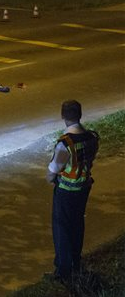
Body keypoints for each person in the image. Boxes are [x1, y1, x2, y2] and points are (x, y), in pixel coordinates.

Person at [46, 100, 99, 284]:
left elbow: (53, 170)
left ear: (63, 116)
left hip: (66, 191)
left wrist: (51, 180)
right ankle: (76, 263)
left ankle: (63, 271)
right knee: (77, 225)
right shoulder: (91, 137)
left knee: (62, 229)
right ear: (80, 115)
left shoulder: (65, 144)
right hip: (83, 189)